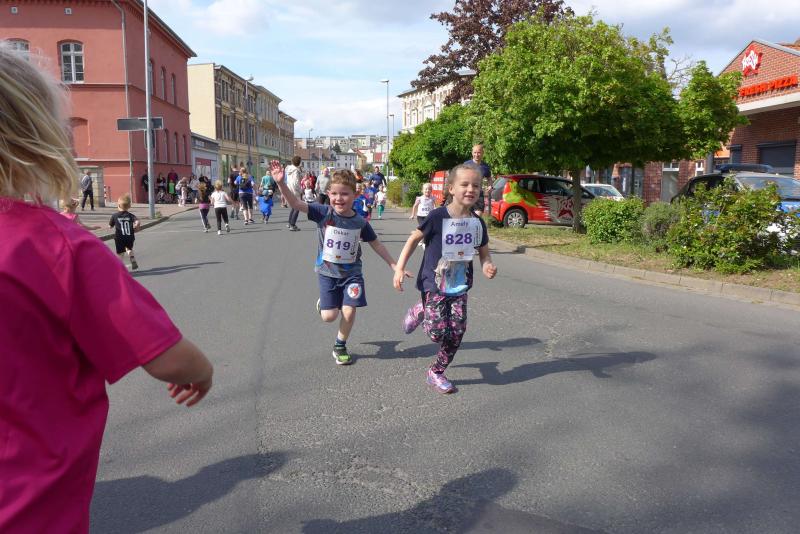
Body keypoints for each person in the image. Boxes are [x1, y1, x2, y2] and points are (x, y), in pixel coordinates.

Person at [0, 44, 213, 532]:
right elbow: (167, 358)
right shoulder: (56, 245)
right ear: (37, 137)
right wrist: (201, 372)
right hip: (29, 506)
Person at [270, 161, 410, 365]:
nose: (338, 198)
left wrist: (395, 266)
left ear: (355, 195)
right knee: (329, 316)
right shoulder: (323, 212)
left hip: (352, 274)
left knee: (349, 311)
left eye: (344, 194)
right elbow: (295, 204)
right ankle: (324, 304)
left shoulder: (360, 222)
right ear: (328, 194)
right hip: (327, 273)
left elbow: (376, 244)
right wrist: (281, 183)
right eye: (334, 193)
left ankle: (340, 345)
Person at [393, 163, 497, 394]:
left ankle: (436, 372)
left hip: (459, 286)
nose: (470, 189)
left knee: (457, 332)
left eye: (476, 185)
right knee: (437, 333)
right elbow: (413, 239)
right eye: (464, 184)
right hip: (434, 283)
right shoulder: (437, 216)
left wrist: (487, 265)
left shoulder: (477, 223)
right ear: (451, 188)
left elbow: (484, 252)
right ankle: (420, 310)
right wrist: (399, 268)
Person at [109, 194, 141, 270]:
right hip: (129, 236)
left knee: (120, 253)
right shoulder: (131, 215)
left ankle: (119, 268)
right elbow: (137, 221)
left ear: (118, 205)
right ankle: (132, 258)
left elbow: (110, 226)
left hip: (119, 237)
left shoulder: (114, 216)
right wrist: (137, 225)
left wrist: (110, 226)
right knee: (129, 248)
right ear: (129, 206)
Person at [463, 143, 490, 216]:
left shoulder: (485, 166)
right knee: (466, 216)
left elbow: (489, 178)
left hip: (478, 194)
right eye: (475, 152)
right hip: (467, 193)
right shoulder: (466, 164)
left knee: (477, 216)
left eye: (479, 152)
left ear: (482, 153)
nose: (476, 155)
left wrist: (490, 185)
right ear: (472, 153)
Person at [285, 156, 303, 231]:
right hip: (295, 191)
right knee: (297, 207)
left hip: (289, 189)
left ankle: (290, 223)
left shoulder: (289, 169)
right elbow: (296, 183)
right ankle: (292, 224)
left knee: (293, 207)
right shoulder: (296, 171)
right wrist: (300, 191)